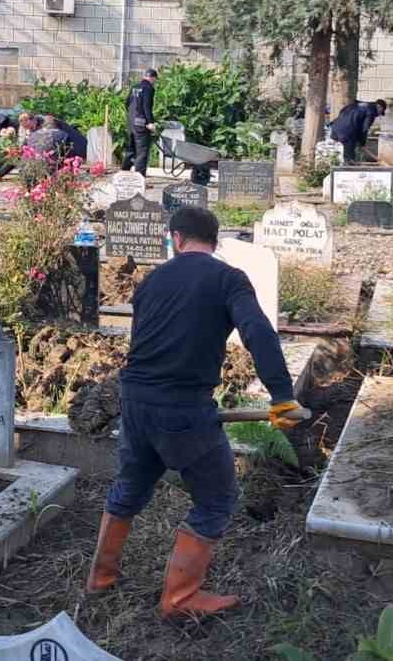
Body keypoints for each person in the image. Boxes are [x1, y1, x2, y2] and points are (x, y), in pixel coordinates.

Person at [86, 207, 307, 618]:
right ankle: (180, 600)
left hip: (134, 399)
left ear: (176, 239)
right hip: (184, 408)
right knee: (217, 497)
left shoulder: (152, 280)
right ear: (214, 241)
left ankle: (100, 579)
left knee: (131, 485)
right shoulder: (228, 278)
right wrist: (281, 396)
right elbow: (257, 331)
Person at [123, 68, 158, 175]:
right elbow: (147, 106)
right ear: (152, 78)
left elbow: (126, 103)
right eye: (154, 79)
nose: (154, 82)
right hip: (141, 124)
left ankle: (124, 173)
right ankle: (139, 177)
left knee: (130, 149)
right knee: (142, 151)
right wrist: (150, 122)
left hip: (131, 123)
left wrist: (132, 116)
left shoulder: (135, 87)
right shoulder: (148, 88)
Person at [329, 98, 388, 163]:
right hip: (347, 132)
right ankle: (349, 167)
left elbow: (342, 111)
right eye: (381, 111)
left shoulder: (359, 105)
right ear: (379, 106)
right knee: (349, 158)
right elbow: (364, 129)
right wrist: (362, 143)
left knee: (338, 155)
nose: (379, 114)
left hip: (335, 128)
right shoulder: (371, 111)